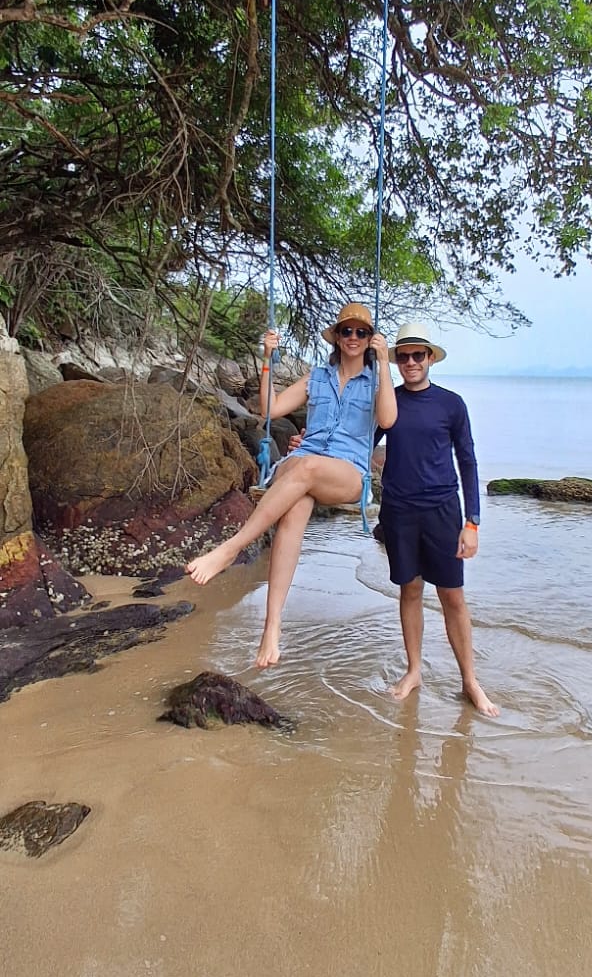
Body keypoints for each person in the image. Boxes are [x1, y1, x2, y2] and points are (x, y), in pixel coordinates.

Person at [186, 303, 396, 667]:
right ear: (337, 336)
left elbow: (389, 420)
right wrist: (267, 359)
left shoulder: (375, 383)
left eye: (362, 333)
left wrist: (385, 363)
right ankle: (271, 627)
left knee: (307, 467)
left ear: (369, 339)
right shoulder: (317, 377)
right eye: (347, 331)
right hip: (304, 464)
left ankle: (232, 548)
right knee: (295, 508)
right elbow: (270, 410)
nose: (354, 338)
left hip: (347, 472)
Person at [378, 320, 499, 717]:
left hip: (443, 511)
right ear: (395, 361)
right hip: (399, 512)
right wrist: (307, 443)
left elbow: (468, 461)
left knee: (452, 597)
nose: (411, 362)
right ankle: (414, 671)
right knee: (410, 590)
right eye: (403, 356)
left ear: (430, 358)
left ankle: (470, 681)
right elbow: (356, 443)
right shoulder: (388, 403)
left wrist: (473, 523)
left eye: (418, 355)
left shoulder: (452, 404)